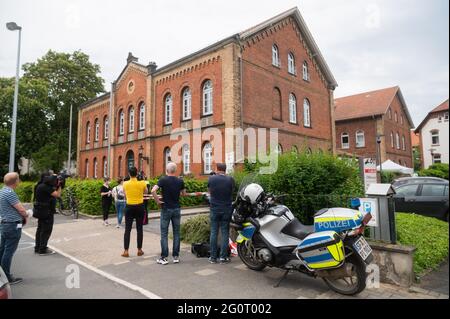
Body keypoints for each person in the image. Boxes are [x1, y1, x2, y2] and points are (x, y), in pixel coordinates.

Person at [151, 162, 186, 265]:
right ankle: (176, 256)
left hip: (166, 208)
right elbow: (183, 194)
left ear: (167, 170)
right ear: (175, 170)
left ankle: (164, 257)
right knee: (176, 233)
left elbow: (153, 190)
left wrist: (157, 200)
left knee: (164, 233)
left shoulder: (163, 180)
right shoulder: (180, 181)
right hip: (176, 209)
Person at [0, 173, 30, 284]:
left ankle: (1, 274)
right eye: (18, 179)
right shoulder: (10, 193)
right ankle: (7, 277)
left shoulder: (2, 191)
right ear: (15, 181)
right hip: (12, 225)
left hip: (4, 224)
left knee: (2, 249)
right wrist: (27, 214)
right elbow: (21, 209)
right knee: (8, 252)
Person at [207, 163, 235, 264]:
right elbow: (232, 192)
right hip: (226, 209)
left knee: (214, 232)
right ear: (225, 170)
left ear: (217, 169)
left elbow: (209, 191)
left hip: (214, 208)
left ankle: (213, 257)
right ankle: (223, 257)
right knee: (225, 232)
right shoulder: (230, 179)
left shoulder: (211, 179)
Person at [122, 167, 148, 258]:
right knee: (139, 229)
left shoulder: (125, 183)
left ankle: (126, 251)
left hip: (129, 207)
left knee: (127, 229)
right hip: (140, 206)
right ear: (137, 174)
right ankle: (139, 250)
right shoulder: (142, 183)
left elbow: (125, 194)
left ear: (129, 174)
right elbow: (146, 192)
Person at [34, 174, 61, 255]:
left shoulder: (39, 186)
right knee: (46, 230)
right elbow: (58, 195)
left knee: (40, 229)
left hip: (40, 211)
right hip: (46, 212)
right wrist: (60, 186)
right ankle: (42, 249)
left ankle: (37, 247)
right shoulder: (47, 187)